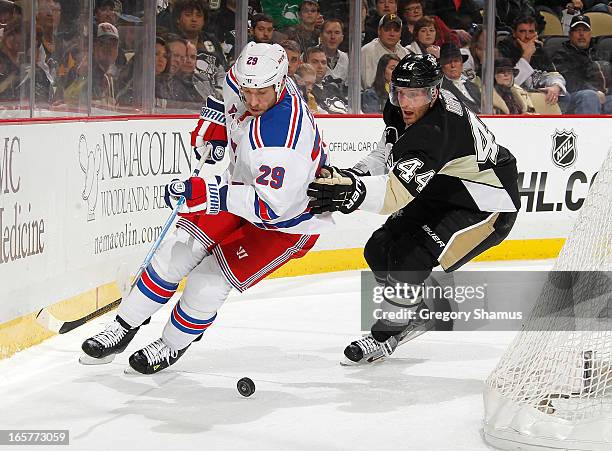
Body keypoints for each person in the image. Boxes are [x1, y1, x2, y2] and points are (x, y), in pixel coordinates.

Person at [80, 42, 333, 374]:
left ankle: (171, 344)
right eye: (248, 90)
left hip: (288, 222)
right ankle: (123, 325)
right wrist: (214, 122)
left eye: (262, 93)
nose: (253, 101)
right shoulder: (242, 82)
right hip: (243, 188)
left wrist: (208, 193)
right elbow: (226, 98)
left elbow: (268, 209)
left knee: (208, 281)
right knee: (177, 252)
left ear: (282, 81)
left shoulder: (285, 136)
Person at [307, 53, 520, 365]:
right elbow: (385, 153)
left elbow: (393, 195)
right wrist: (350, 177)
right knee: (378, 249)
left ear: (433, 93)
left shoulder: (436, 131)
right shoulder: (405, 108)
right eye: (400, 93)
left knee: (411, 258)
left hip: (487, 205)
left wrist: (352, 193)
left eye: (415, 94)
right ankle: (419, 307)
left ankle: (389, 330)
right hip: (445, 190)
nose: (405, 103)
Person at [497, 15, 566, 108]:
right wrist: (526, 56)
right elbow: (507, 84)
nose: (527, 36)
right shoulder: (504, 50)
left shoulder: (538, 49)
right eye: (522, 31)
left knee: (576, 96)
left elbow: (553, 74)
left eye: (531, 31)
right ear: (514, 33)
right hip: (516, 99)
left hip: (541, 95)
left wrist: (555, 86)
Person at [552, 15, 612, 114]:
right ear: (570, 34)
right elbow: (569, 80)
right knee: (589, 96)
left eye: (585, 30)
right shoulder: (562, 55)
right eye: (577, 30)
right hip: (580, 97)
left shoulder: (600, 51)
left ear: (590, 33)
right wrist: (594, 91)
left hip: (607, 97)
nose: (581, 34)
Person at [361, 13, 409, 89]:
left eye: (396, 30)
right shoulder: (368, 51)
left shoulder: (405, 53)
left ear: (400, 33)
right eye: (387, 29)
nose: (392, 34)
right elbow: (368, 84)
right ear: (379, 31)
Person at [439, 42, 481, 112]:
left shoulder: (473, 86)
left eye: (456, 61)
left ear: (461, 64)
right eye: (448, 62)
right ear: (442, 66)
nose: (453, 65)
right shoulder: (440, 88)